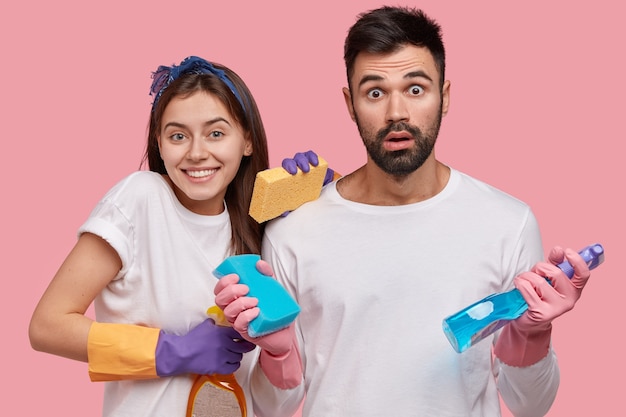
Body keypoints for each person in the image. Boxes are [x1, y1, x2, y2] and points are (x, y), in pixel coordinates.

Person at [214, 6, 593, 417]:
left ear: (444, 97)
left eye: (415, 89)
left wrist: (532, 333)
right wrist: (277, 349)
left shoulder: (508, 222)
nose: (396, 112)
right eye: (375, 92)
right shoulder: (296, 229)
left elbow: (532, 406)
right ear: (350, 103)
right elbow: (272, 407)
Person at [29, 56, 302, 417]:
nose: (197, 152)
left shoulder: (257, 235)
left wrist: (279, 353)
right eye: (178, 136)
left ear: (247, 140)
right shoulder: (142, 199)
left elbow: (269, 406)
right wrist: (170, 351)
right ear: (159, 144)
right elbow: (47, 326)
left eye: (216, 133)